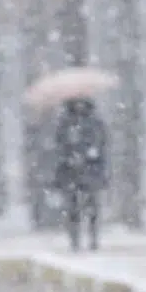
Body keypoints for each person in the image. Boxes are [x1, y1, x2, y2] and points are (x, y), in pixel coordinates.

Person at [53, 97, 108, 252]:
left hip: (91, 171)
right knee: (73, 208)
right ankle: (75, 240)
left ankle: (93, 238)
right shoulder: (65, 122)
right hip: (71, 171)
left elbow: (102, 142)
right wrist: (68, 157)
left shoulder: (94, 122)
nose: (79, 106)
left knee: (92, 208)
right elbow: (59, 144)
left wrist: (92, 153)